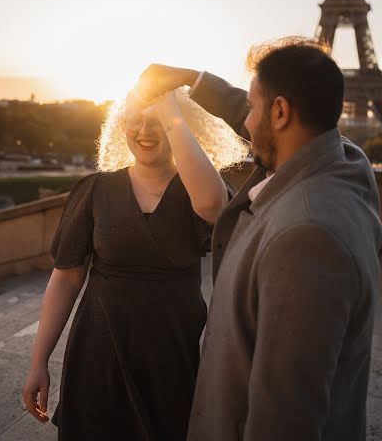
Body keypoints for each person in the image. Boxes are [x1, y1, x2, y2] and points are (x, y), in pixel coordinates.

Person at [138, 37, 382, 441]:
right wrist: (193, 80)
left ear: (281, 112)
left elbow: (285, 418)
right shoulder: (347, 165)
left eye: (253, 108)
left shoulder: (306, 239)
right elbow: (259, 112)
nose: (246, 123)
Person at [22, 88, 248, 441]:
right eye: (135, 120)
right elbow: (66, 279)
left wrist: (169, 106)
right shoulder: (96, 190)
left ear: (179, 124)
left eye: (158, 120)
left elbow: (214, 207)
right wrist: (38, 362)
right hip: (99, 349)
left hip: (173, 353)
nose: (145, 131)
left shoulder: (199, 189)